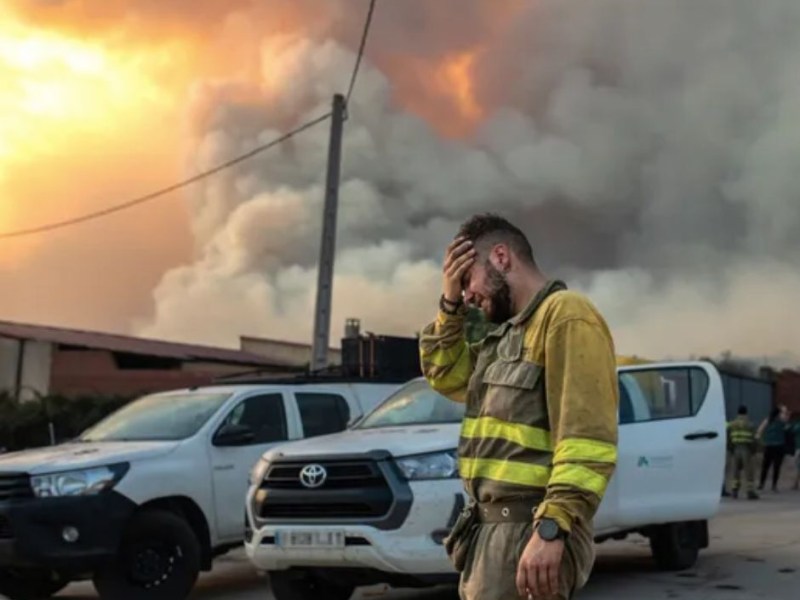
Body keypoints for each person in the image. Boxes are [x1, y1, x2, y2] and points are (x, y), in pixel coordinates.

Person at [419, 213, 619, 600]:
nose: (467, 296)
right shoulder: (506, 338)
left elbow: (586, 441)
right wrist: (448, 305)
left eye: (467, 280)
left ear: (501, 257)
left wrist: (552, 529)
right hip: (489, 537)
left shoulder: (566, 315)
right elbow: (444, 374)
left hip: (529, 533)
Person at [726, 405, 759, 500]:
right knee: (749, 472)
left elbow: (728, 439)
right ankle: (750, 491)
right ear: (746, 413)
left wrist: (731, 449)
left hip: (736, 449)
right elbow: (753, 439)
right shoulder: (750, 424)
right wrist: (753, 451)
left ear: (738, 413)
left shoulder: (732, 424)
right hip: (746, 449)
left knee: (735, 471)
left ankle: (734, 490)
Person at [757, 407, 788, 492]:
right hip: (779, 446)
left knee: (765, 466)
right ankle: (774, 485)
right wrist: (784, 411)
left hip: (768, 446)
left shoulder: (767, 421)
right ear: (779, 413)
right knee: (776, 467)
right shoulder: (782, 421)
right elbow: (786, 423)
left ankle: (761, 484)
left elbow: (759, 431)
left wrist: (762, 442)